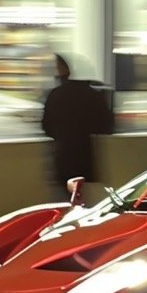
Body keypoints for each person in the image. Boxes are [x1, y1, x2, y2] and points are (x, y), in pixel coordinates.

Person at [42, 54, 114, 195]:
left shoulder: (56, 94)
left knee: (65, 200)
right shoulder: (95, 95)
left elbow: (47, 127)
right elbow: (107, 127)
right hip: (86, 159)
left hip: (63, 158)